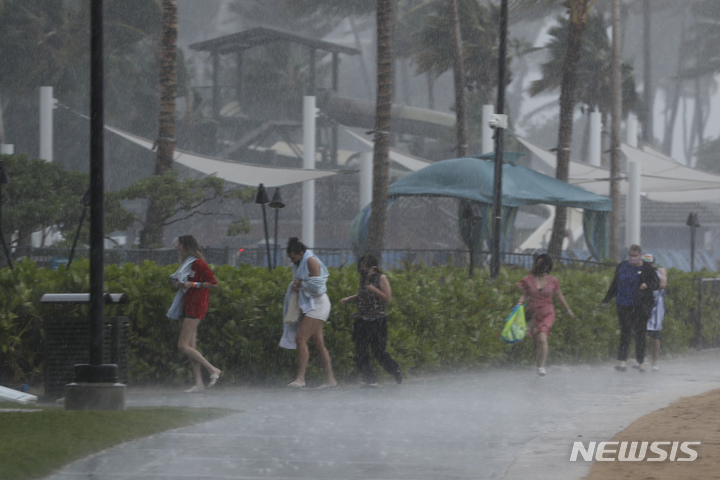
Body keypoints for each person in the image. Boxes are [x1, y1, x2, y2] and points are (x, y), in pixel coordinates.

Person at [167, 235, 221, 393]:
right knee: (191, 346)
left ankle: (212, 369)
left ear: (184, 245)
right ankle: (198, 383)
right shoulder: (187, 264)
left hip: (196, 306)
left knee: (182, 345)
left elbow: (213, 284)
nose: (177, 247)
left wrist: (193, 284)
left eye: (179, 245)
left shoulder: (197, 263)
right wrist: (178, 283)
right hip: (189, 304)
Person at [282, 237, 337, 389]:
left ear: (300, 253)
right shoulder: (300, 262)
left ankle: (300, 378)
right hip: (312, 304)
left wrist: (301, 284)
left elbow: (318, 287)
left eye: (293, 258)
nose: (292, 261)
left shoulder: (311, 261)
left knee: (300, 338)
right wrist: (297, 285)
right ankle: (331, 380)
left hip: (319, 304)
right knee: (318, 343)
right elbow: (304, 283)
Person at [340, 255, 402, 387]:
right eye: (360, 267)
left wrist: (373, 289)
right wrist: (349, 299)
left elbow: (387, 297)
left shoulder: (381, 278)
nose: (361, 270)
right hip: (362, 319)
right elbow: (362, 293)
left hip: (377, 320)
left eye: (364, 267)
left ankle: (395, 370)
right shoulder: (363, 279)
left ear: (372, 267)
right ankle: (370, 379)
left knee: (378, 351)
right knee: (361, 350)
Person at [601, 244, 660, 373]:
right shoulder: (622, 266)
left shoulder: (647, 268)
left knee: (640, 333)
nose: (633, 258)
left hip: (641, 305)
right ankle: (622, 361)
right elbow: (614, 284)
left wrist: (647, 285)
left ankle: (641, 362)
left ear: (640, 255)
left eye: (635, 256)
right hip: (623, 304)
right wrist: (606, 299)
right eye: (631, 256)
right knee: (625, 332)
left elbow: (656, 283)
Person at [516, 253, 574, 377]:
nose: (541, 266)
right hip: (533, 314)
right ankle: (539, 366)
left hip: (548, 312)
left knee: (542, 337)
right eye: (539, 263)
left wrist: (568, 310)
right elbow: (525, 294)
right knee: (536, 341)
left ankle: (542, 366)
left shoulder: (553, 280)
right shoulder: (529, 279)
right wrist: (519, 303)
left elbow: (559, 295)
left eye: (543, 263)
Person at [643, 253, 667, 372]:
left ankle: (654, 362)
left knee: (654, 335)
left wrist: (647, 285)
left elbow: (662, 284)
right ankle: (641, 360)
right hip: (643, 305)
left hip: (657, 307)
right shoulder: (641, 273)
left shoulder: (660, 271)